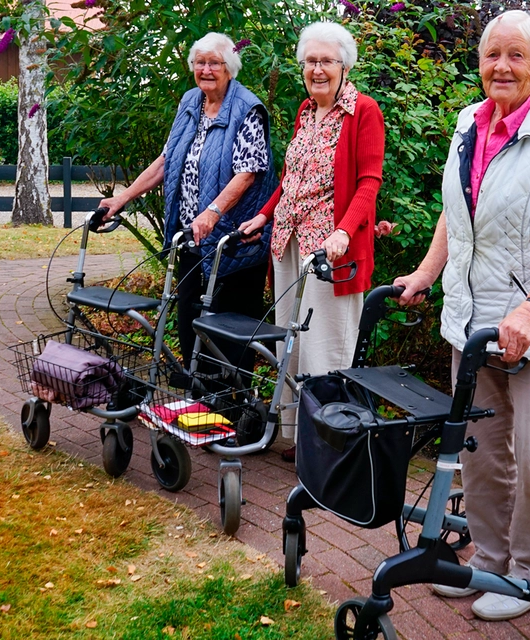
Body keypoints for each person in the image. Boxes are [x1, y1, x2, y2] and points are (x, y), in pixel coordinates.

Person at [395, 10, 530, 622]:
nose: (501, 66)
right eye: (492, 55)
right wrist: (426, 273)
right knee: (479, 451)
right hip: (473, 320)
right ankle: (488, 562)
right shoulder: (468, 123)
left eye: (516, 55)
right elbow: (456, 216)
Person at [240, 21, 385, 463]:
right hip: (287, 242)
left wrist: (344, 230)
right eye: (310, 61)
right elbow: (291, 180)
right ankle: (300, 436)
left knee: (326, 346)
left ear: (344, 66)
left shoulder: (364, 111)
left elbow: (368, 181)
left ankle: (328, 445)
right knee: (294, 344)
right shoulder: (306, 110)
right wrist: (263, 215)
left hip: (330, 252)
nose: (317, 69)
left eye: (326, 61)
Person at [99, 32, 276, 373]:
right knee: (189, 320)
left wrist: (212, 212)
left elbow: (248, 173)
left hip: (234, 242)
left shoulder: (247, 108)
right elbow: (167, 160)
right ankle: (198, 403)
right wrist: (121, 198)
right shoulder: (190, 102)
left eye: (214, 63)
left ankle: (232, 408)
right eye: (200, 62)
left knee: (229, 331)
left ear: (230, 69)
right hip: (193, 239)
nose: (206, 69)